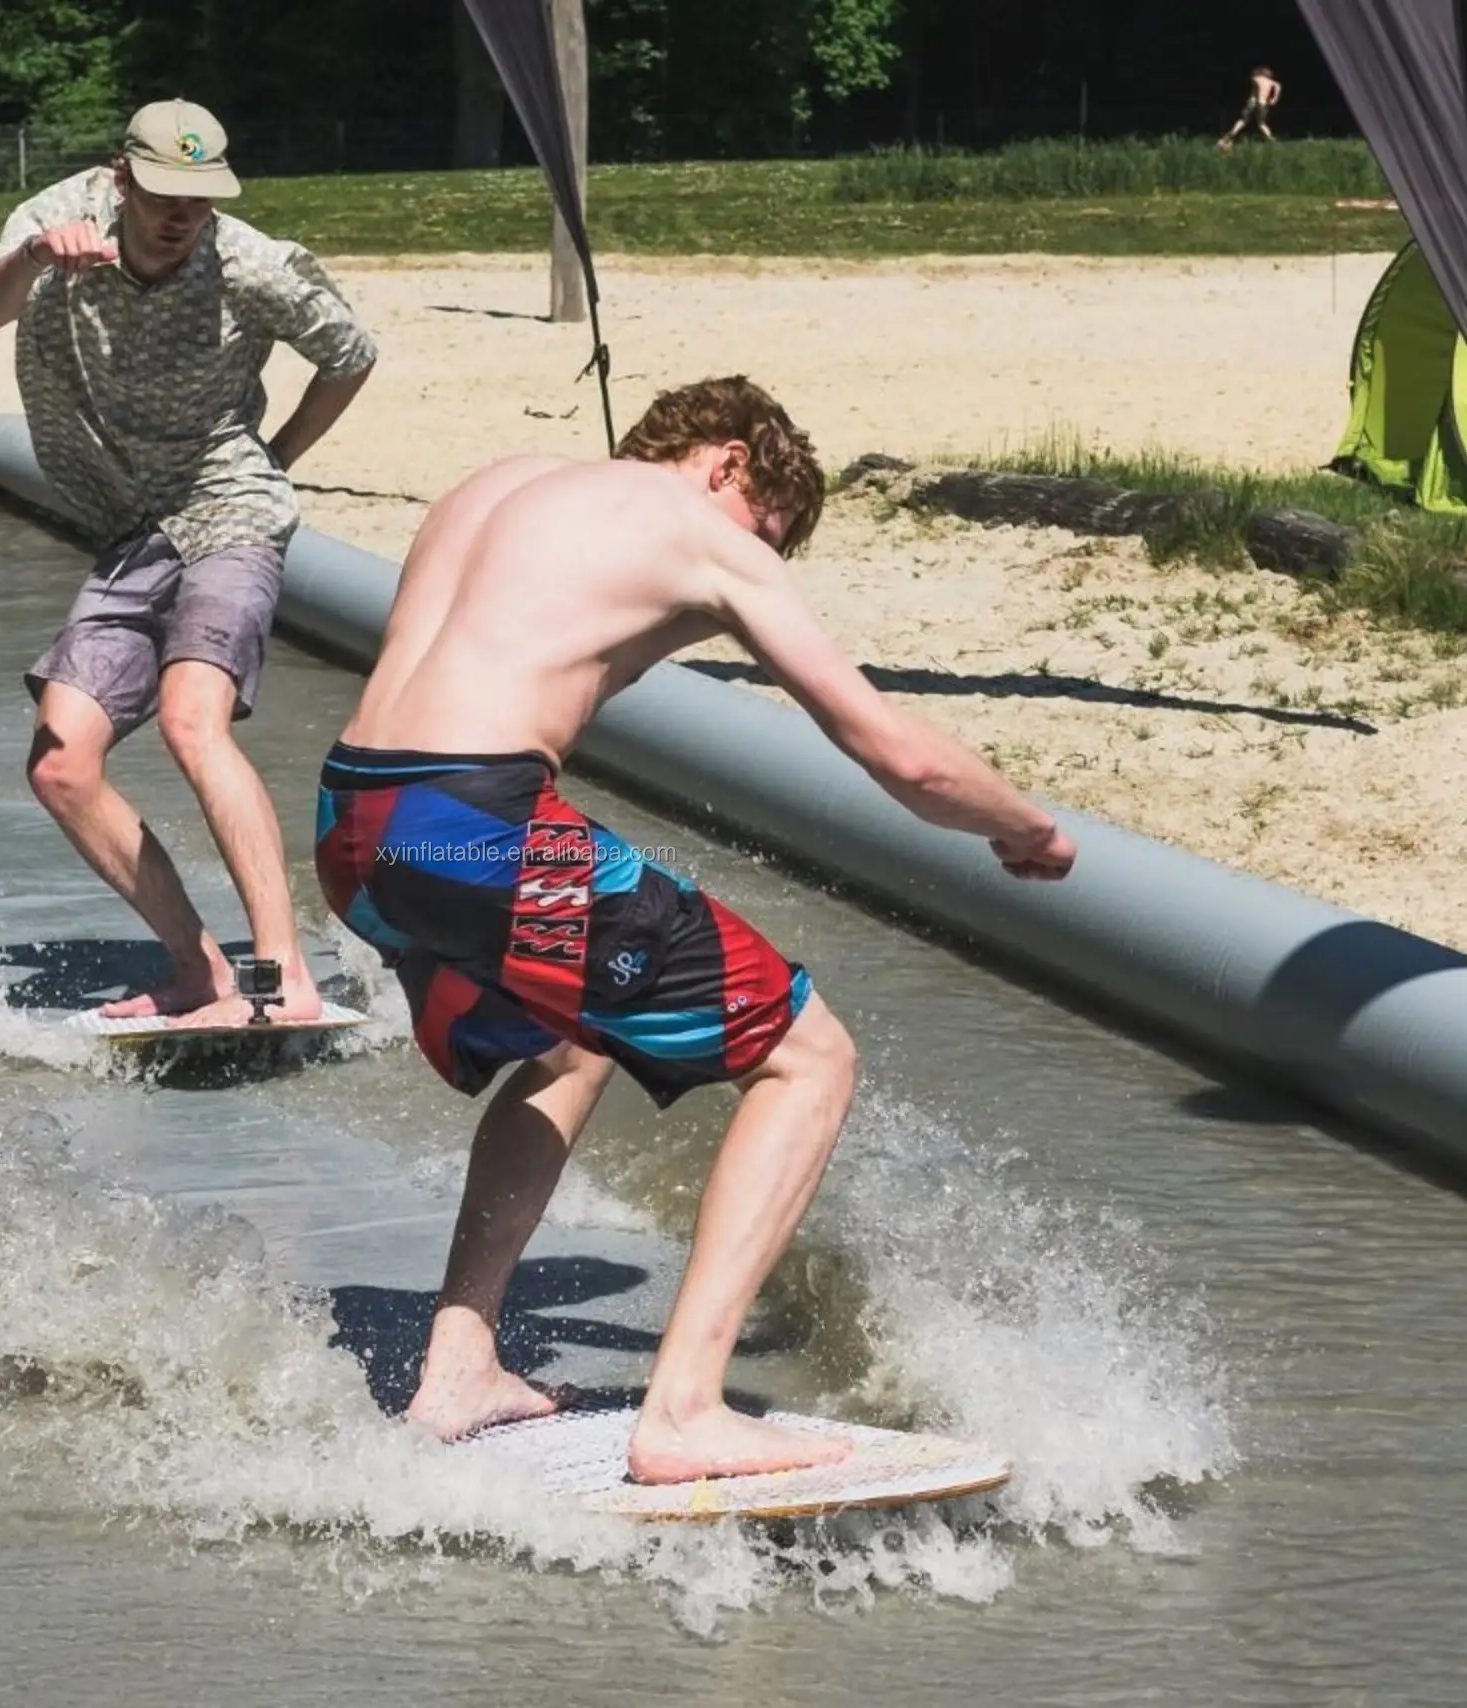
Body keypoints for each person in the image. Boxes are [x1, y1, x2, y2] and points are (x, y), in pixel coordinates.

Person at [313, 375, 1078, 1486]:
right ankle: (682, 1410)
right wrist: (1025, 827)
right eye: (764, 528)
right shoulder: (694, 525)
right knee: (809, 1057)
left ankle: (458, 1364)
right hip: (473, 825)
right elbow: (897, 756)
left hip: (352, 821)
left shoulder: (495, 488)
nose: (754, 556)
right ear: (723, 462)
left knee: (565, 1041)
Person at [0, 99, 378, 1027]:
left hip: (229, 511)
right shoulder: (63, 219)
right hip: (133, 528)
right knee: (60, 764)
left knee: (192, 721)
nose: (183, 216)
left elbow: (351, 352)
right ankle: (199, 971)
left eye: (201, 198)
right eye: (165, 194)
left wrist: (280, 459)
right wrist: (32, 259)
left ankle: (282, 980)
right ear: (121, 177)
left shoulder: (246, 261)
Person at [1218, 66, 1281, 152]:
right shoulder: (1272, 83)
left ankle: (1229, 135)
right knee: (1261, 123)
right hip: (1263, 104)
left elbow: (1252, 80)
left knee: (1243, 120)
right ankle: (1271, 139)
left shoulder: (1256, 78)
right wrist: (1274, 98)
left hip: (1252, 103)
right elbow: (1277, 86)